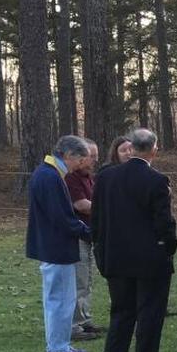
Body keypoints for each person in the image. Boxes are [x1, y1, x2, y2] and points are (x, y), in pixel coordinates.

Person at [92, 129, 177, 352]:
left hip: (116, 256)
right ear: (154, 150)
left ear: (133, 147)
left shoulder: (106, 178)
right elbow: (164, 222)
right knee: (150, 313)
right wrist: (169, 246)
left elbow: (96, 217)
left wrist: (100, 246)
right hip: (150, 258)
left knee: (121, 311)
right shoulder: (156, 180)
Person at [26, 135, 93, 352]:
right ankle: (57, 350)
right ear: (68, 155)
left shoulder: (48, 174)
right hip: (57, 248)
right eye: (80, 159)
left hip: (54, 246)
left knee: (60, 299)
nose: (80, 164)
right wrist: (90, 232)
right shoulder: (49, 177)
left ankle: (60, 345)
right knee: (60, 300)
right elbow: (62, 218)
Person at [65, 138, 106, 341]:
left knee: (87, 280)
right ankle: (74, 326)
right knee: (79, 281)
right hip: (77, 237)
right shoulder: (71, 179)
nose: (94, 161)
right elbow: (81, 205)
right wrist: (108, 206)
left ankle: (84, 320)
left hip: (89, 235)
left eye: (96, 157)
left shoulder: (90, 178)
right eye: (92, 156)